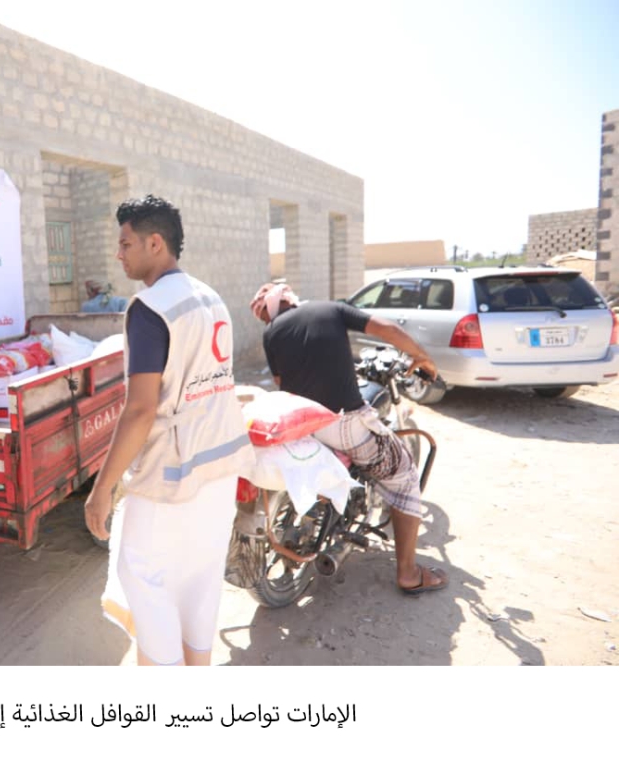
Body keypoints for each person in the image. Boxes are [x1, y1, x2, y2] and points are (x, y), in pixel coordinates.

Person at [84, 194, 253, 666]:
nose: (118, 254)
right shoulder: (210, 297)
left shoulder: (151, 308)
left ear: (155, 243)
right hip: (220, 471)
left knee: (144, 579)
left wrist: (102, 489)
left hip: (172, 476)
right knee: (199, 585)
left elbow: (140, 411)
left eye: (126, 244)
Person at [250, 281, 447, 595]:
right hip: (342, 423)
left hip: (303, 424)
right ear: (290, 298)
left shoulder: (271, 333)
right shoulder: (330, 308)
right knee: (405, 476)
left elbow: (279, 379)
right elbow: (387, 329)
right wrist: (421, 356)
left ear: (270, 313)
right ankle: (409, 574)